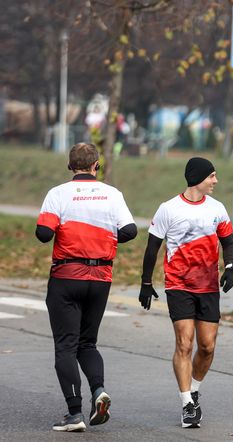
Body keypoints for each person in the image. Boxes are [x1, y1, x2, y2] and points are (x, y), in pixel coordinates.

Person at [36, 143, 137, 432]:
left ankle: (74, 413)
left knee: (66, 346)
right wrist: (103, 237)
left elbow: (43, 233)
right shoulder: (112, 194)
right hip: (100, 278)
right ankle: (98, 391)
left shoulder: (58, 194)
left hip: (67, 277)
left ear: (71, 166)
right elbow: (130, 230)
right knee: (88, 343)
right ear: (96, 165)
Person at [139, 157, 233, 429]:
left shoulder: (217, 209)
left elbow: (228, 242)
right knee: (185, 342)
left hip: (208, 286)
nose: (216, 181)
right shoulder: (168, 209)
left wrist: (230, 267)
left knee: (207, 346)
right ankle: (187, 404)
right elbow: (151, 249)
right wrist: (146, 282)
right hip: (178, 284)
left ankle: (193, 389)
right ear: (198, 178)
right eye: (212, 176)